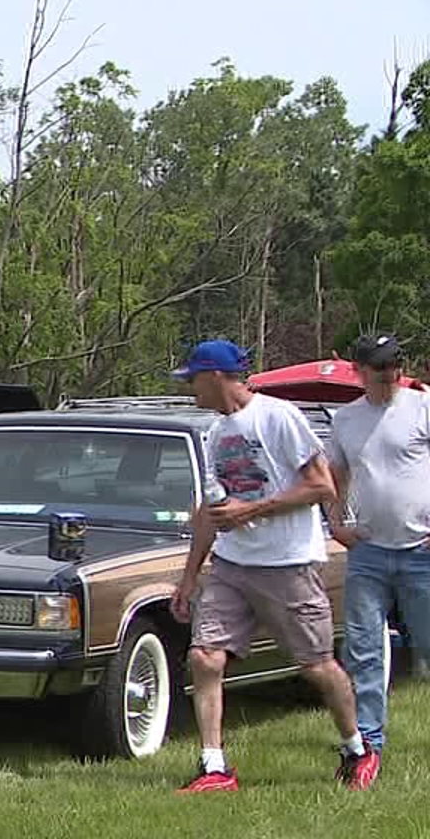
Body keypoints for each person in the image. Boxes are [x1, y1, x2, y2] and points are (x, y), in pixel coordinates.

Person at [168, 339, 360, 794]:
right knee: (204, 657)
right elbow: (211, 510)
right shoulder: (215, 433)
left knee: (317, 666)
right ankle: (214, 767)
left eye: (193, 378)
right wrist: (189, 576)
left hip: (287, 563)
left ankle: (356, 747)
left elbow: (322, 488)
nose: (190, 388)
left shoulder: (279, 417)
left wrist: (252, 511)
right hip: (233, 564)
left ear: (216, 376)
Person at [323, 334, 430, 790]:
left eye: (395, 365)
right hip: (367, 552)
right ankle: (367, 747)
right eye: (381, 366)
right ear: (359, 370)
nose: (390, 374)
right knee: (364, 652)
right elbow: (335, 473)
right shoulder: (346, 419)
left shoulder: (422, 407)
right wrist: (335, 523)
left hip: (421, 550)